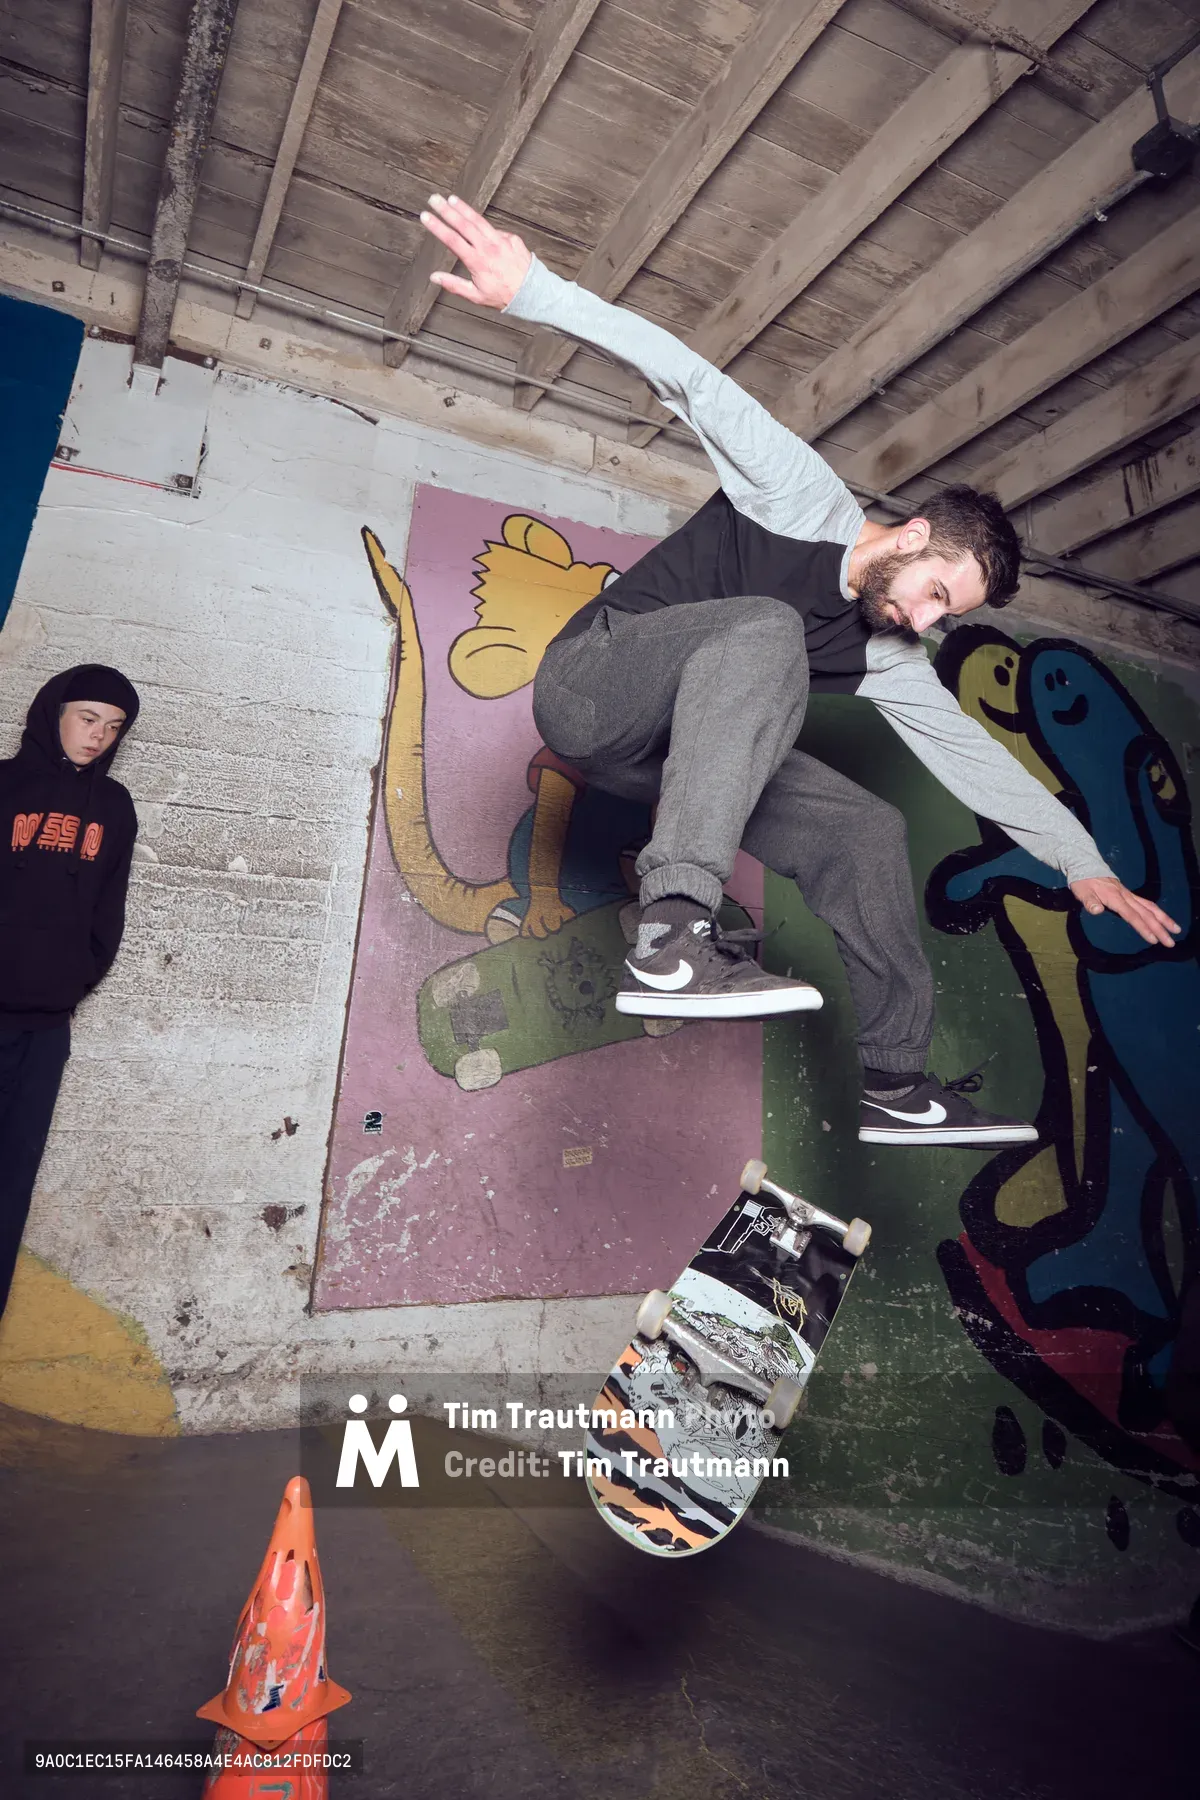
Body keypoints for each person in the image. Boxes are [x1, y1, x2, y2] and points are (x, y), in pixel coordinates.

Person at [417, 196, 1179, 1147]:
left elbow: (975, 759)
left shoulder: (891, 653)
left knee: (865, 828)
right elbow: (689, 378)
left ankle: (898, 1086)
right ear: (910, 534)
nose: (925, 620)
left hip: (663, 755)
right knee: (768, 629)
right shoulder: (796, 492)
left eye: (948, 614)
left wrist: (1082, 862)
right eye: (934, 591)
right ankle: (674, 934)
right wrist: (537, 293)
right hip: (594, 685)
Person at [0, 664, 139, 1318]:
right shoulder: (3, 786)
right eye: (88, 719)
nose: (98, 737)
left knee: (9, 1190)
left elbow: (107, 909)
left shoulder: (113, 808)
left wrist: (75, 976)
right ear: (53, 711)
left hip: (46, 1028)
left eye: (113, 728)